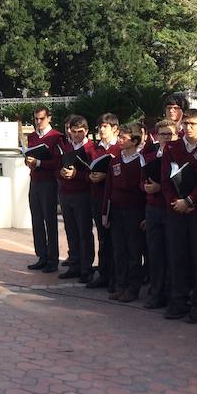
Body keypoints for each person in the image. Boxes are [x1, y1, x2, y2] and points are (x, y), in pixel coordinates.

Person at [161, 108, 197, 323]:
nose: (188, 128)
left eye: (193, 124)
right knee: (178, 257)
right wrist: (174, 202)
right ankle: (178, 301)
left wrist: (190, 201)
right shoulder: (172, 148)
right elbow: (166, 179)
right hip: (176, 210)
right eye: (185, 124)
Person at [102, 122, 146, 303]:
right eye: (119, 136)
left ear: (134, 140)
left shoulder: (141, 160)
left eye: (124, 137)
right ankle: (120, 286)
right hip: (117, 211)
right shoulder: (114, 160)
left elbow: (144, 191)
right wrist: (105, 212)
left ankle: (132, 289)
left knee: (133, 252)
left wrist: (145, 216)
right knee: (119, 250)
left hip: (134, 211)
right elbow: (108, 188)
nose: (119, 140)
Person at [142, 119, 177, 309]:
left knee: (172, 253)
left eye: (169, 134)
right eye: (162, 134)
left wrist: (160, 187)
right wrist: (147, 187)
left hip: (171, 208)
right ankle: (156, 293)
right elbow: (141, 180)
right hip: (153, 209)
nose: (166, 138)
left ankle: (172, 294)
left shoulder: (178, 154)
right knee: (155, 253)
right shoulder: (149, 155)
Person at [24, 106, 63, 273]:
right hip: (35, 182)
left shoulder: (56, 137)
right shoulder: (32, 136)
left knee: (50, 221)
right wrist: (29, 162)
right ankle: (42, 255)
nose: (38, 122)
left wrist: (39, 163)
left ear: (49, 118)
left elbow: (58, 162)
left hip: (49, 182)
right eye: (36, 119)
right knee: (37, 220)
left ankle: (53, 259)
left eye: (41, 118)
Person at [57, 115, 95, 281]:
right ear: (69, 132)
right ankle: (74, 265)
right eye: (73, 132)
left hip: (83, 194)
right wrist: (61, 172)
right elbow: (59, 165)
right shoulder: (66, 147)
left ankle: (86, 268)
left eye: (80, 132)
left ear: (86, 131)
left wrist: (76, 174)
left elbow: (93, 174)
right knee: (71, 231)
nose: (77, 135)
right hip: (66, 193)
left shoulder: (91, 148)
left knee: (84, 232)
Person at [86, 113, 120, 290]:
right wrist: (91, 175)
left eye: (105, 126)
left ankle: (115, 277)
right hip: (97, 197)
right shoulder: (94, 149)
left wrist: (105, 176)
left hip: (114, 199)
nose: (101, 130)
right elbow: (87, 169)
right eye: (99, 127)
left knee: (116, 239)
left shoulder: (120, 148)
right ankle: (103, 274)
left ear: (114, 128)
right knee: (102, 238)